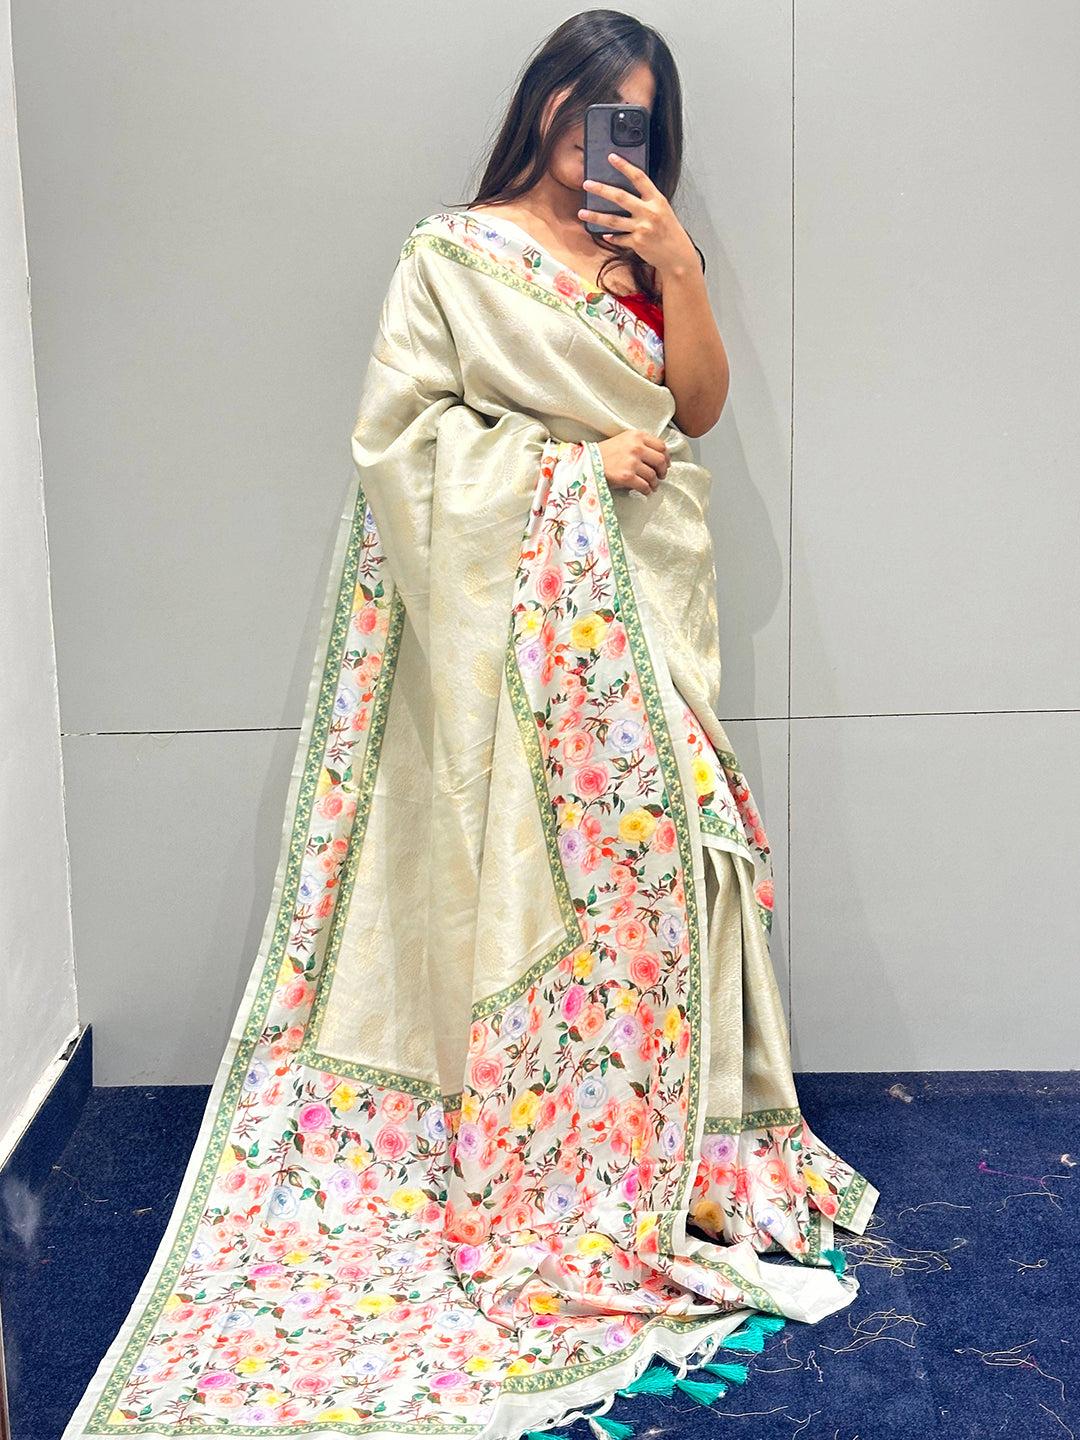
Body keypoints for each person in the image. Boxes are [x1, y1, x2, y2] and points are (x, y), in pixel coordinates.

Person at [62, 12, 879, 1440]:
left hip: (650, 612)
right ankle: (556, 1168)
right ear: (540, 108)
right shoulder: (453, 254)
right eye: (581, 117)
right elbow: (401, 446)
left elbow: (692, 406)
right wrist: (571, 462)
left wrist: (679, 271)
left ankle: (662, 1155)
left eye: (627, 124)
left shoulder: (646, 249)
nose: (596, 150)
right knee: (550, 887)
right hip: (527, 634)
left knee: (679, 868)